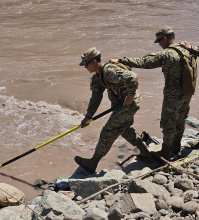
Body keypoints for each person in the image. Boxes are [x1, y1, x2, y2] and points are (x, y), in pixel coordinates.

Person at [110, 26, 199, 161]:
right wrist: (191, 47)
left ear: (164, 39)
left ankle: (165, 154)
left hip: (172, 97)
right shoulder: (189, 50)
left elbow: (144, 62)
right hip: (187, 93)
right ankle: (175, 148)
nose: (159, 44)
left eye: (159, 41)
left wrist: (121, 60)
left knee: (168, 125)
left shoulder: (167, 54)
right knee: (180, 121)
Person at [75, 47, 151, 173]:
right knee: (124, 129)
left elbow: (133, 77)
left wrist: (130, 96)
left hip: (129, 104)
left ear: (94, 62)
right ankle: (146, 153)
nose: (84, 67)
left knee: (108, 131)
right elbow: (95, 98)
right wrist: (88, 116)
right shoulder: (96, 78)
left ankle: (93, 163)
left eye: (86, 64)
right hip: (120, 105)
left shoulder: (109, 71)